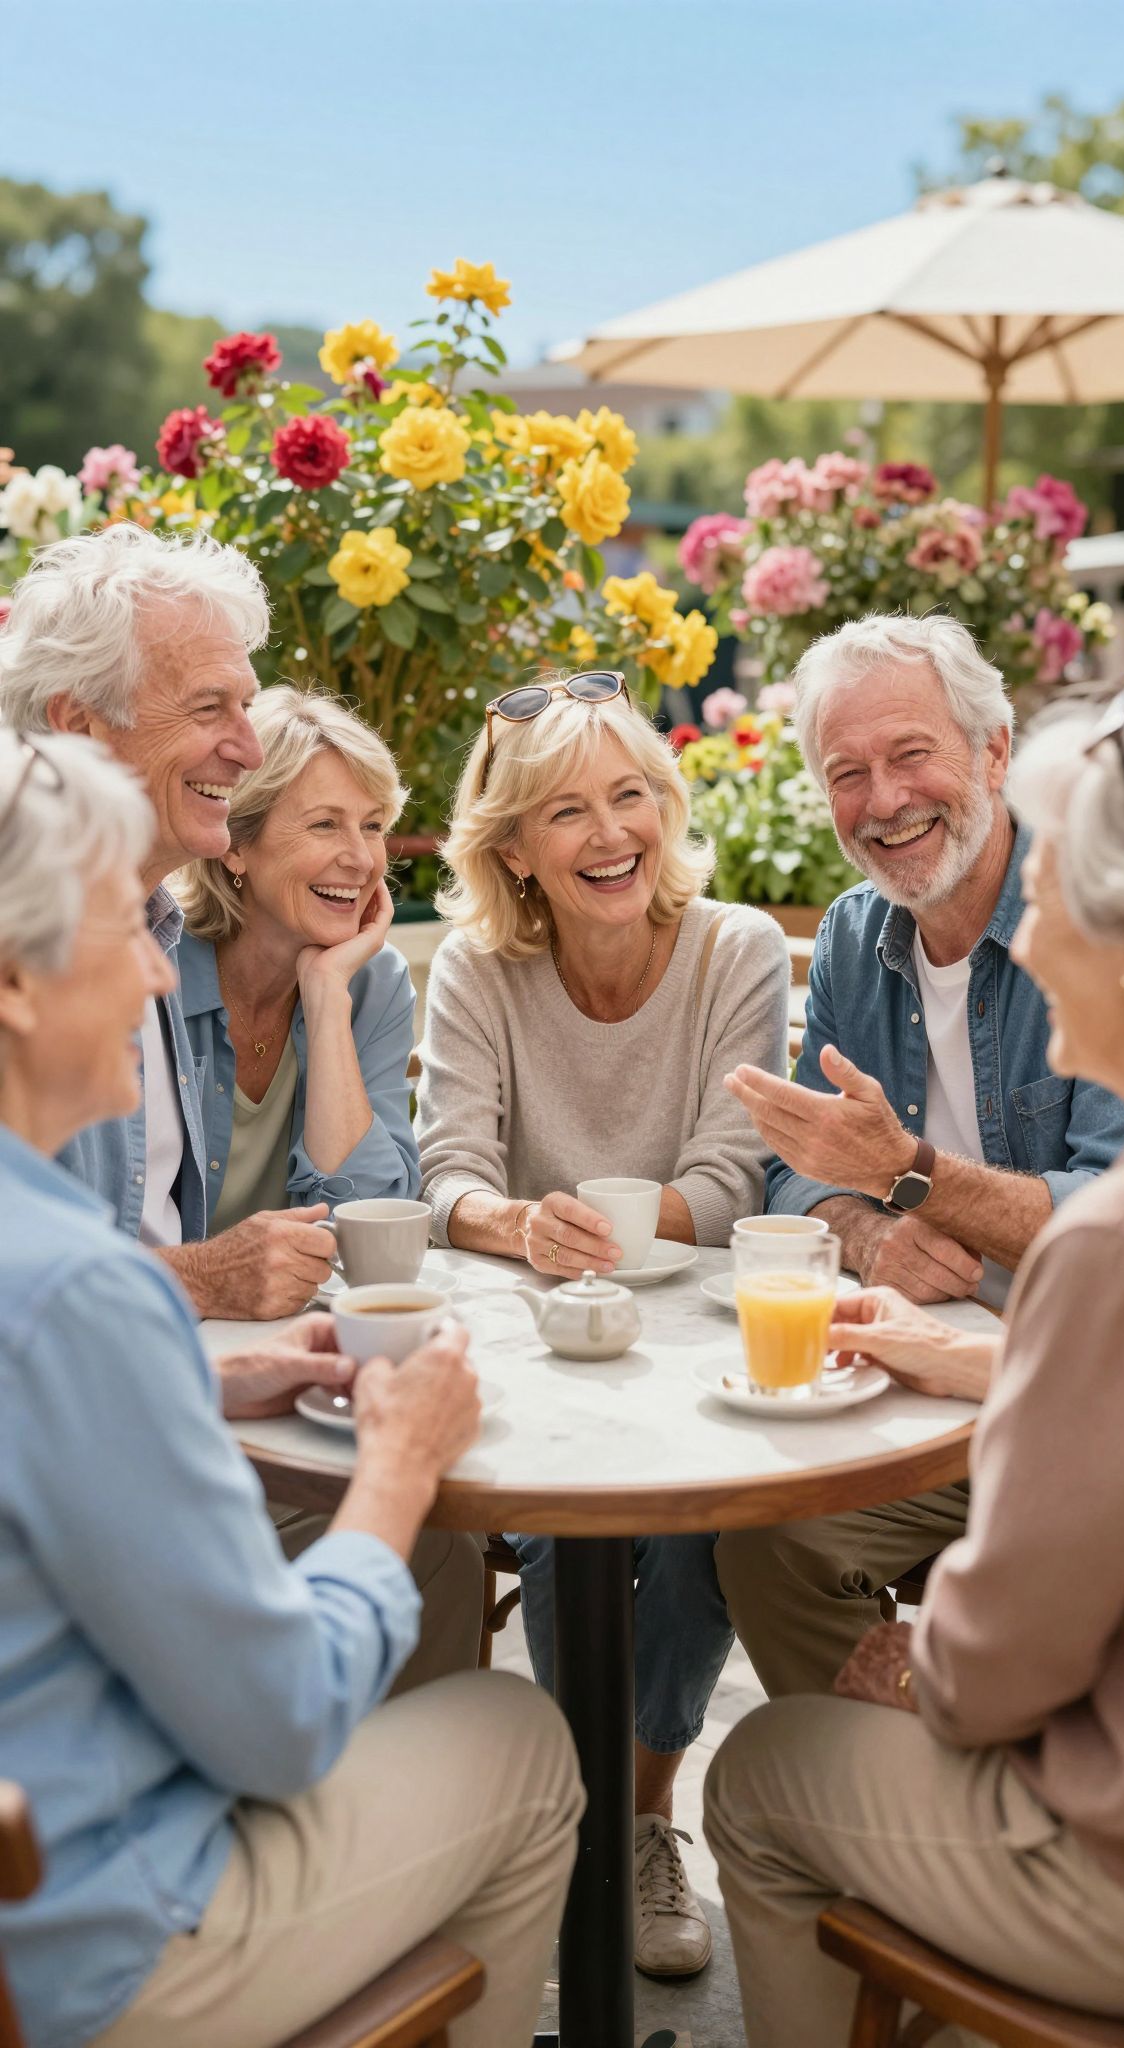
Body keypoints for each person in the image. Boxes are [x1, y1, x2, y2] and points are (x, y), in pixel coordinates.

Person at [0, 728, 582, 2048]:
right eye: (116, 929)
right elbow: (276, 1721)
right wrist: (396, 1470)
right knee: (520, 1740)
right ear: (17, 988)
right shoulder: (82, 1289)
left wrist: (202, 1391)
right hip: (98, 1942)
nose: (156, 968)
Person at [704, 683, 1124, 2048]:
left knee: (759, 1778)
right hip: (1005, 1395)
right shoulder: (859, 937)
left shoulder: (1114, 1242)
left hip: (1121, 1862)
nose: (1035, 930)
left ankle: (948, 1940)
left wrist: (919, 1679)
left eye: (1059, 895)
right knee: (782, 1534)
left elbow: (1001, 1657)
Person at [417, 670, 789, 1978]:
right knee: (564, 1525)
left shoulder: (734, 947)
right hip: (538, 1337)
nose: (609, 833)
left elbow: (734, 1180)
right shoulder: (475, 966)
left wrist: (617, 1227)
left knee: (711, 1524)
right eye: (564, 811)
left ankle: (631, 1820)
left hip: (696, 1341)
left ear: (666, 804)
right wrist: (514, 1228)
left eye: (630, 795)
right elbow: (446, 1175)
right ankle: (583, 1819)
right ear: (511, 846)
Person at [717, 616, 1124, 1696]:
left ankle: (920, 1803)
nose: (884, 799)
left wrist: (908, 1173)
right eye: (846, 772)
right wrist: (868, 1228)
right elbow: (796, 1167)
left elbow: (1114, 1210)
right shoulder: (859, 934)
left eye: (911, 753)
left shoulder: (1090, 920)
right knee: (766, 1536)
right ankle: (881, 1791)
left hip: (1083, 1391)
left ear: (995, 751)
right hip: (912, 1379)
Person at [0, 521, 337, 1318]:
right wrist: (201, 1279)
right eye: (209, 707)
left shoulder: (154, 924)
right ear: (79, 724)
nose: (252, 750)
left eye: (247, 706)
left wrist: (217, 1378)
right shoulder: (31, 949)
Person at [175, 686, 418, 1234]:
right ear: (234, 844)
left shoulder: (374, 982)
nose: (360, 859)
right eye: (324, 824)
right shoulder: (154, 973)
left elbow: (374, 1220)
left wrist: (328, 994)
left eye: (373, 825)